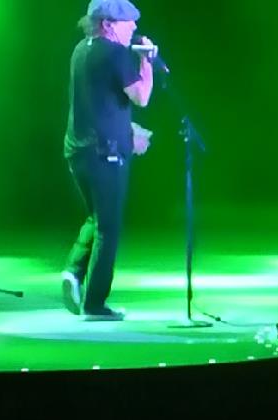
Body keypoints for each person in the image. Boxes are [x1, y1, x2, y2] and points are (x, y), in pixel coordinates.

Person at [61, 0, 154, 319]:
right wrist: (146, 60)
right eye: (128, 22)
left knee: (96, 217)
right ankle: (94, 304)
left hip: (78, 150)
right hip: (106, 153)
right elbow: (141, 96)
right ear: (109, 24)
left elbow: (98, 105)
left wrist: (128, 131)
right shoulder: (115, 53)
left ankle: (73, 271)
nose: (134, 27)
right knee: (108, 228)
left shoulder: (80, 51)